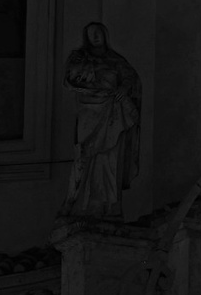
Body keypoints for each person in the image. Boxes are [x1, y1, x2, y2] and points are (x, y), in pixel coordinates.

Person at [60, 21, 141, 218]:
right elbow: (71, 80)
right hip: (90, 112)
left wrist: (123, 88)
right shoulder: (80, 58)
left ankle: (109, 204)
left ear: (105, 34)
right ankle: (79, 203)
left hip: (112, 113)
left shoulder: (115, 60)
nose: (95, 36)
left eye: (98, 32)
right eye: (91, 33)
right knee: (85, 154)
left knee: (110, 157)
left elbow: (130, 78)